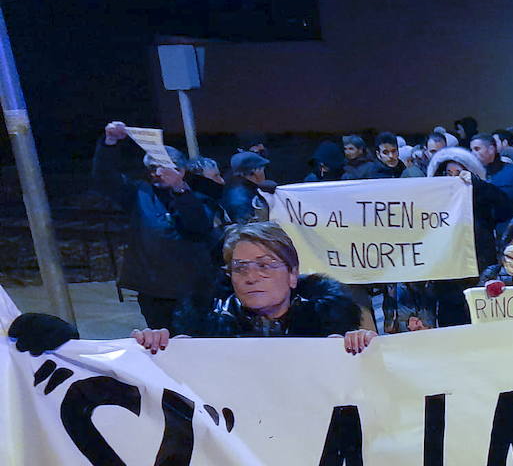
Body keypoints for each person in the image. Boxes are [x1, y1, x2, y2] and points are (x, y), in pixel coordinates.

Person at [131, 221, 375, 352]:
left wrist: (366, 349)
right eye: (240, 268)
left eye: (265, 265)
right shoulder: (202, 332)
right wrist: (155, 348)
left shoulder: (330, 326)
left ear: (292, 275)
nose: (251, 277)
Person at [93, 121, 220, 329]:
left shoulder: (200, 193)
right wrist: (110, 143)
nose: (158, 173)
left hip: (192, 289)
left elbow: (198, 226)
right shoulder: (139, 193)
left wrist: (180, 190)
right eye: (152, 168)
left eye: (165, 168)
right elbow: (105, 178)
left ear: (182, 171)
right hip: (153, 288)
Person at [470, 132, 513, 222]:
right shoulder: (472, 177)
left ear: (491, 149)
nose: (472, 154)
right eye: (471, 150)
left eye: (477, 149)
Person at [222, 151, 276, 222]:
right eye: (262, 169)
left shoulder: (249, 189)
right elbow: (246, 228)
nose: (264, 173)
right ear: (255, 171)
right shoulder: (240, 198)